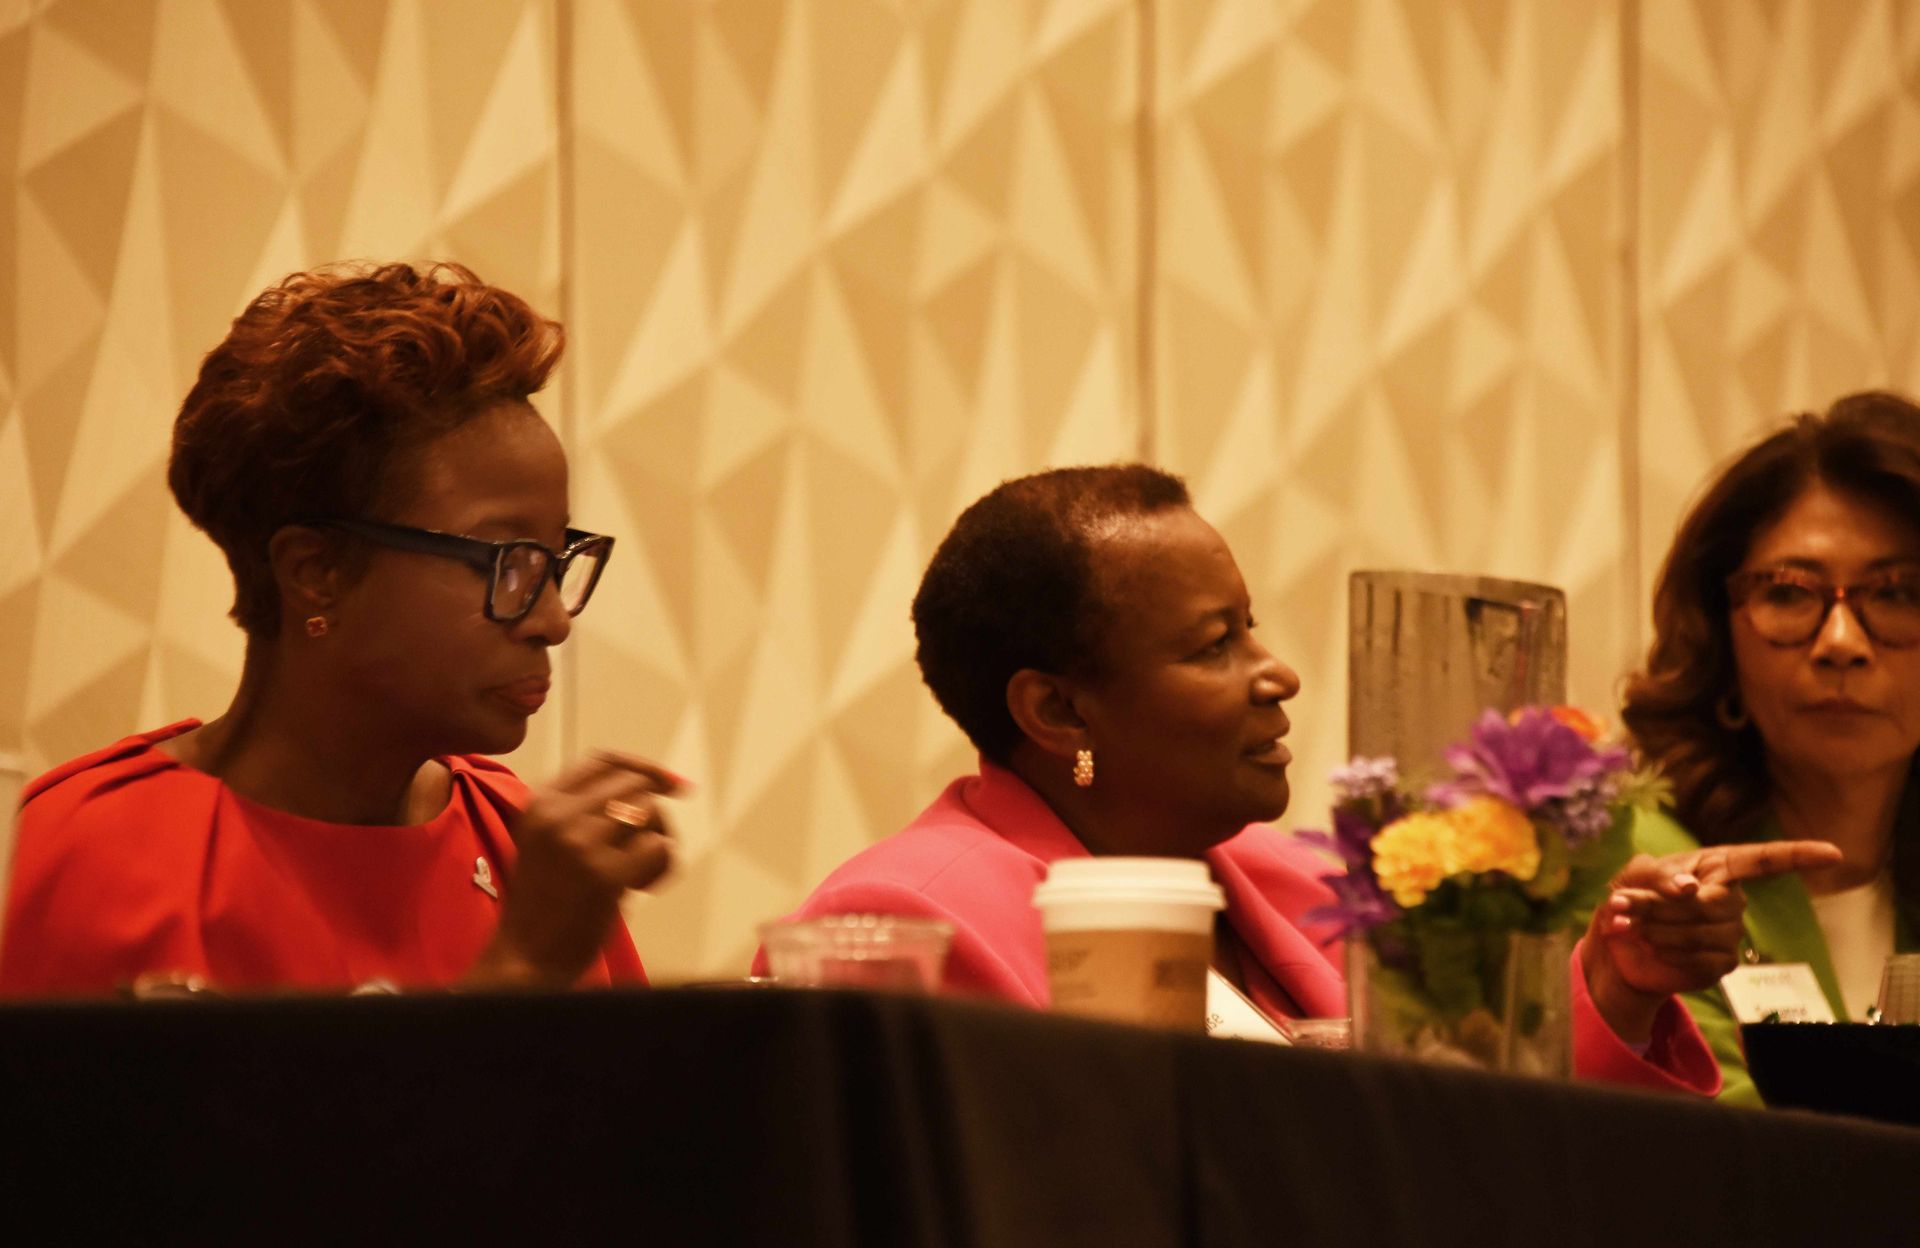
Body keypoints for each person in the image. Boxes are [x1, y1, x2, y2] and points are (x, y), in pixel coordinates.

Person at [765, 464, 1839, 1092]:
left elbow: (1475, 1126)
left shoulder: (1291, 879)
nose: (1275, 674)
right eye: (1212, 645)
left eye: (1253, 631)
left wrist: (1620, 976)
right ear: (1056, 711)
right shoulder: (909, 917)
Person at [1, 262, 679, 996]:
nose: (551, 621)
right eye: (506, 563)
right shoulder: (93, 853)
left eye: (555, 561)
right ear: (316, 571)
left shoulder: (525, 847)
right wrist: (520, 973)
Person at [1622, 390, 1920, 1103]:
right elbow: (1730, 1164)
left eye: (1900, 594)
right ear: (1718, 637)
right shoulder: (1645, 870)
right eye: (1789, 595)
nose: (1841, 643)